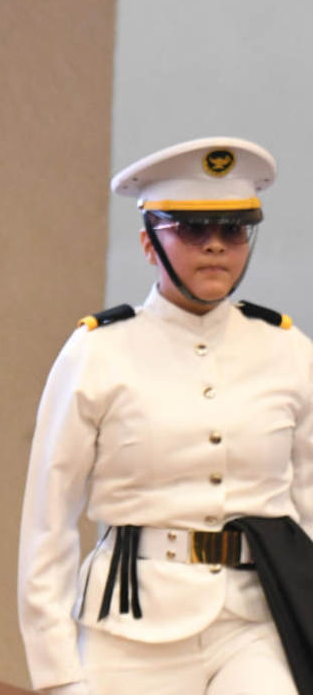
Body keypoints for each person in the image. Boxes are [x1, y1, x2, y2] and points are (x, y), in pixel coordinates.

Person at [18, 137, 313, 694]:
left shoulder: (289, 350)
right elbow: (48, 522)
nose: (215, 245)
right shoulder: (98, 352)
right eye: (193, 229)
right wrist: (57, 674)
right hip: (131, 627)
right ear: (149, 243)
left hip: (254, 623)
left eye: (233, 230)